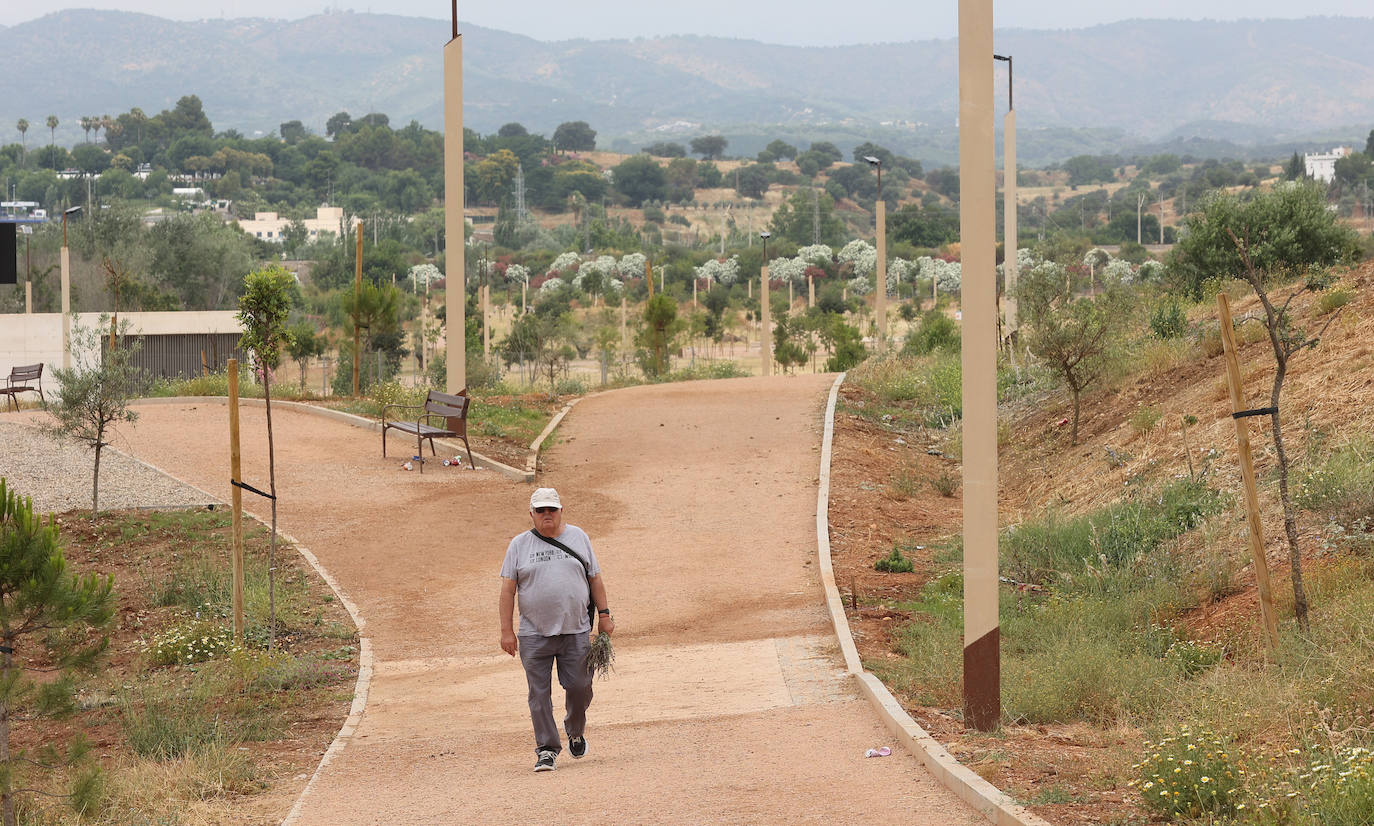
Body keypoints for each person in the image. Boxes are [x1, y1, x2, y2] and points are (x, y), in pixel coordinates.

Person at [499, 487, 614, 772]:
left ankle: (575, 729)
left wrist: (604, 615)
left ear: (561, 511)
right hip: (533, 633)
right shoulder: (519, 545)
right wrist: (506, 631)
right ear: (532, 514)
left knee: (580, 687)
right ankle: (547, 749)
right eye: (541, 510)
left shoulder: (579, 537)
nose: (546, 514)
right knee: (538, 694)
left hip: (575, 630)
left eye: (552, 509)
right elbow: (507, 590)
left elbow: (595, 579)